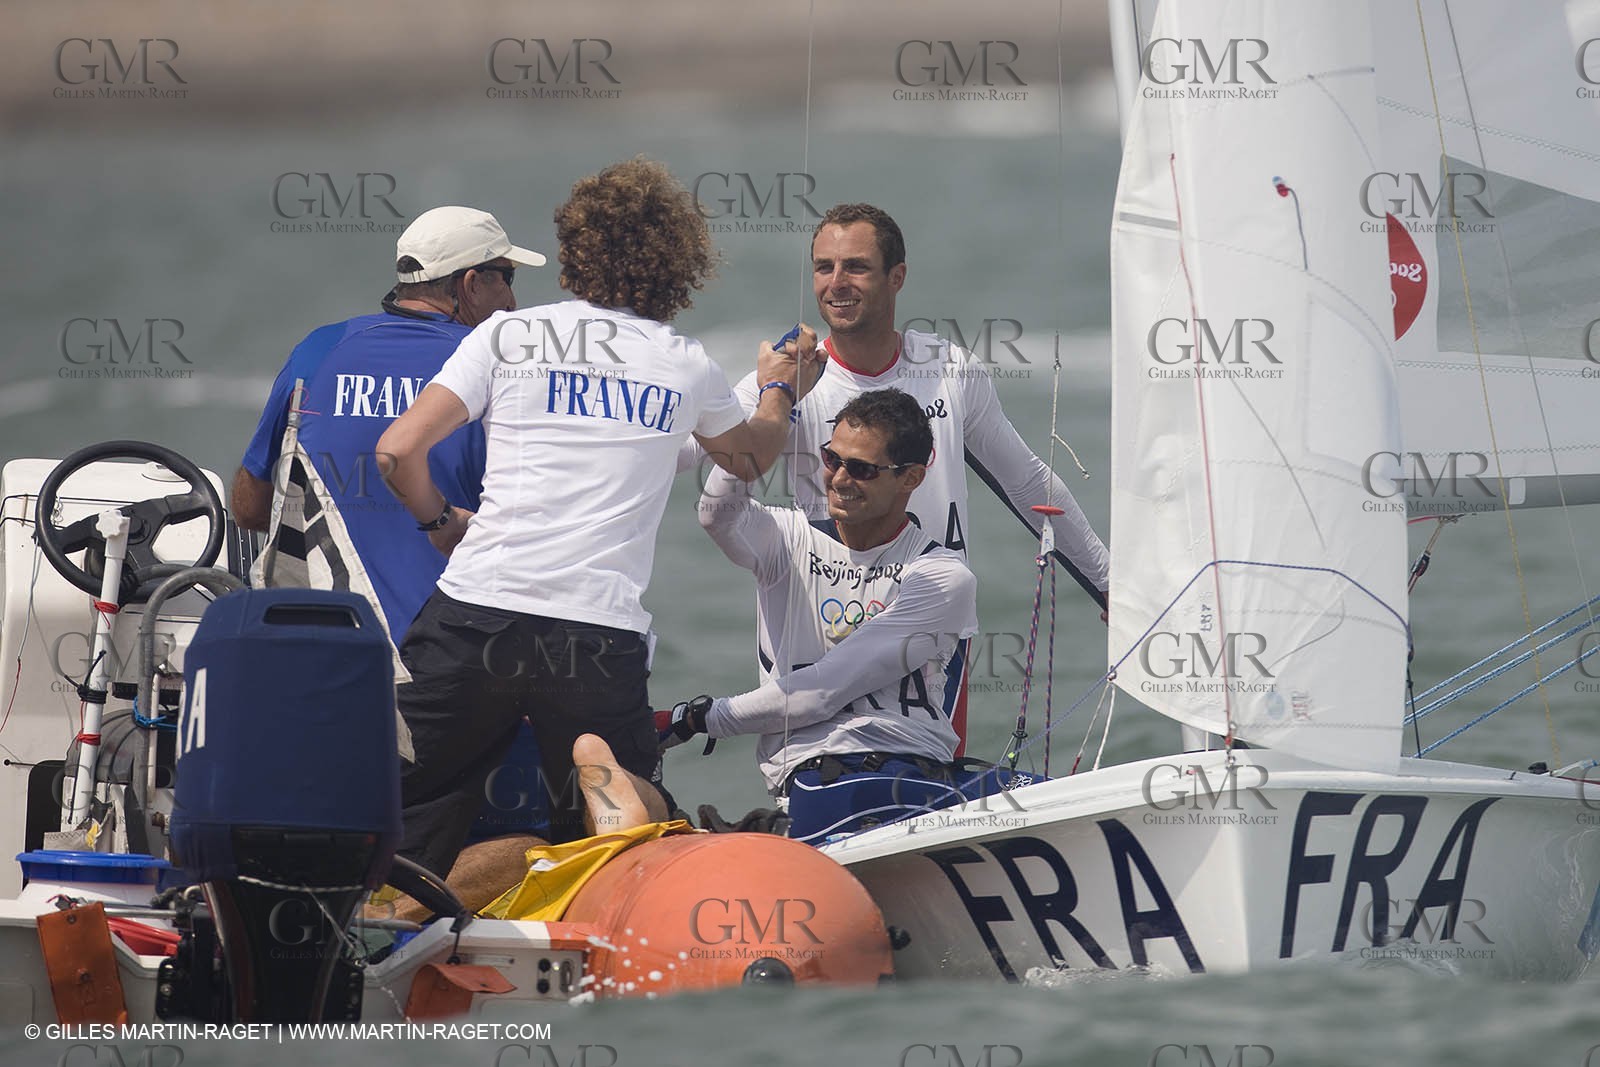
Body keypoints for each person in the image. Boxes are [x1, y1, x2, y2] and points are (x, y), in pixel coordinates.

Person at [376, 158, 821, 875]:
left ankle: (394, 917)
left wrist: (441, 525)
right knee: (621, 822)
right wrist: (778, 387)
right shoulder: (685, 362)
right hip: (594, 637)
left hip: (477, 616)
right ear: (678, 261)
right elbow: (749, 459)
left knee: (405, 805)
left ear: (575, 249)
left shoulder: (505, 337)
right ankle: (605, 783)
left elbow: (397, 453)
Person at [693, 203, 1109, 752]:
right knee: (813, 768)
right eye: (823, 267)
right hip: (822, 618)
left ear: (898, 277)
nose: (836, 284)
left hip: (927, 619)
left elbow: (1029, 483)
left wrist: (1108, 583)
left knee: (930, 775)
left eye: (856, 267)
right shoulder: (786, 378)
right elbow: (695, 458)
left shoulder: (950, 370)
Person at [233, 204, 553, 912]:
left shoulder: (319, 349)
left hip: (320, 675)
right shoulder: (498, 365)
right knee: (544, 842)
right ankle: (400, 914)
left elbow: (250, 506)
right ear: (470, 285)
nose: (513, 297)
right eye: (504, 278)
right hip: (451, 672)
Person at [667, 389, 986, 845]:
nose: (838, 479)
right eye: (831, 459)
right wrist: (772, 408)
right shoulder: (785, 538)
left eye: (861, 469)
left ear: (911, 477)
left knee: (1044, 794)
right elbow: (716, 513)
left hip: (920, 772)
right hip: (822, 773)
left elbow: (818, 694)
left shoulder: (942, 576)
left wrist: (693, 719)